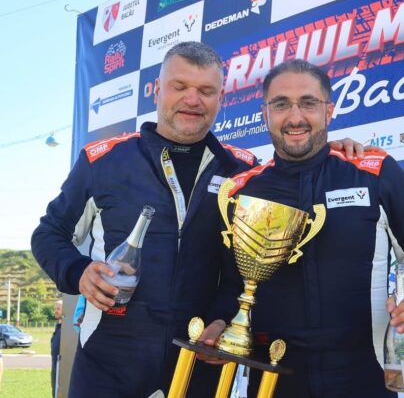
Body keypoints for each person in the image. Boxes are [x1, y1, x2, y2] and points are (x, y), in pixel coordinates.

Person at [31, 42, 367, 398]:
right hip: (107, 362)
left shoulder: (242, 171)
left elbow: (255, 252)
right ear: (157, 90)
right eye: (180, 87)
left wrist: (327, 154)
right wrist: (78, 272)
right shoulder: (104, 161)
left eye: (206, 91)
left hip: (198, 363)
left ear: (220, 98)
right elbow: (49, 233)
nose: (192, 100)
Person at [201, 59, 404, 397]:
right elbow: (233, 282)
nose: (295, 117)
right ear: (264, 113)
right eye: (281, 104)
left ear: (328, 111)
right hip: (272, 382)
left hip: (365, 381)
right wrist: (219, 320)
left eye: (308, 103)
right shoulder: (243, 191)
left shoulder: (374, 173)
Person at [51, 299, 63, 398]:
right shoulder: (58, 327)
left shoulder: (67, 329)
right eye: (55, 308)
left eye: (58, 308)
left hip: (62, 369)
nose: (56, 311)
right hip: (55, 367)